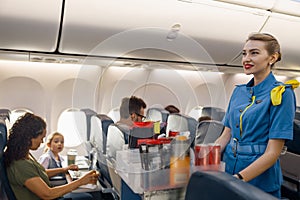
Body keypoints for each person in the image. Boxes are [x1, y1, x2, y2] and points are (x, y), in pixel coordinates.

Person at [215, 33, 299, 198]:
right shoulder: (238, 92)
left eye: (254, 53)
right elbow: (226, 135)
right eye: (244, 53)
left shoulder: (282, 94)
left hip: (258, 178)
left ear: (272, 58)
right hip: (229, 168)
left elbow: (273, 152)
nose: (246, 58)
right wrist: (205, 158)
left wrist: (237, 179)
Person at [4, 113, 99, 200]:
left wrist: (64, 169)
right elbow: (47, 194)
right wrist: (81, 181)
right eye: (41, 138)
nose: (42, 142)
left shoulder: (24, 153)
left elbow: (40, 173)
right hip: (48, 197)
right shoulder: (21, 164)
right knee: (87, 197)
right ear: (29, 137)